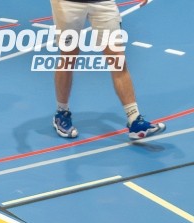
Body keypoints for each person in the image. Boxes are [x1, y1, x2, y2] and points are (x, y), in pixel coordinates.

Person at [50, 0, 166, 141]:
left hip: (103, 3)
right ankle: (62, 113)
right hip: (68, 3)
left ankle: (135, 120)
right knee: (69, 58)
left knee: (118, 60)